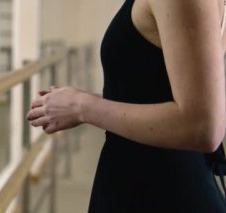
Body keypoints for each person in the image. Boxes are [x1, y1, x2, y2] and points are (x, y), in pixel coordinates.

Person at [27, 0, 226, 212]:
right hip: (145, 180)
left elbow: (201, 125)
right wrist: (76, 102)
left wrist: (81, 106)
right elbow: (156, 91)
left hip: (161, 190)